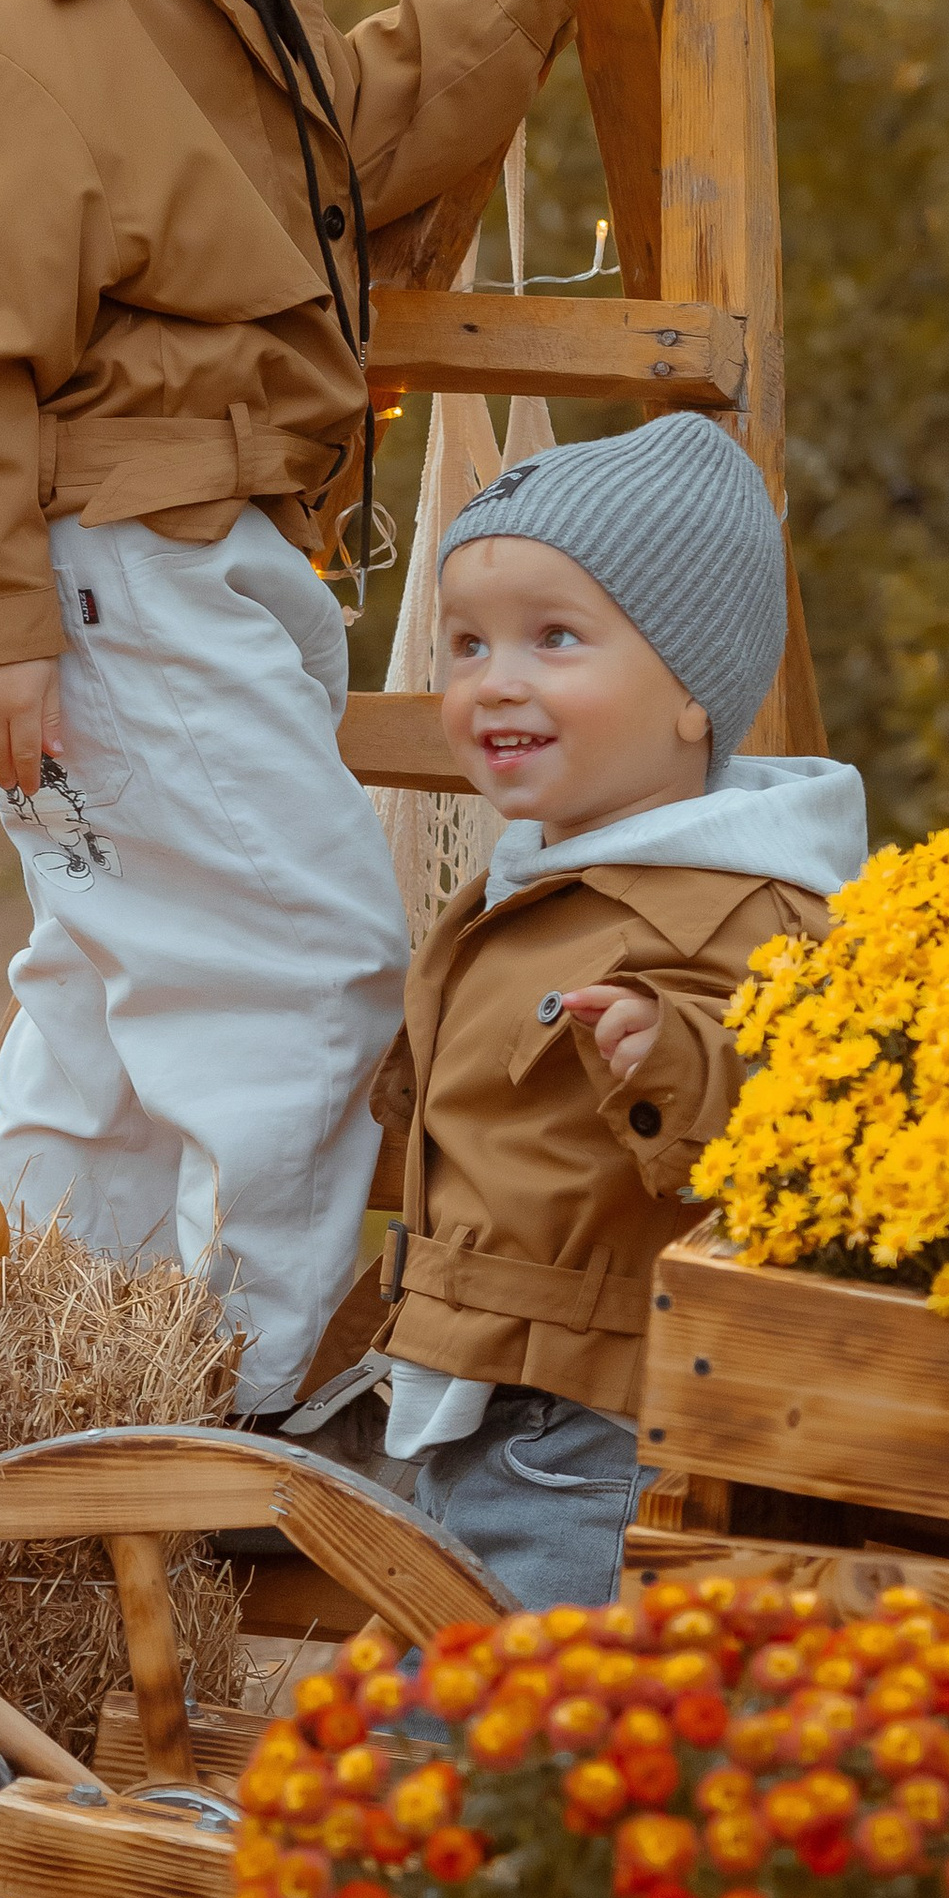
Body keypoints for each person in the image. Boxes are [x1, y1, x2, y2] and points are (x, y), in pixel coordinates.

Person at [0, 0, 699, 1414]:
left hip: (204, 568)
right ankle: (236, 1390)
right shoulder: (27, 26)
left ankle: (48, 1372)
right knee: (309, 957)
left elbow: (367, 131)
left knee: (116, 993)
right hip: (115, 581)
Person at [368, 411, 868, 1605]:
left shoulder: (742, 898)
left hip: (591, 1428)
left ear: (693, 692)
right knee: (472, 1671)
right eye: (467, 644)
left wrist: (678, 1055)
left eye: (554, 638)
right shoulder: (548, 876)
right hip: (483, 1384)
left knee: (536, 1694)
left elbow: (800, 1083)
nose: (496, 680)